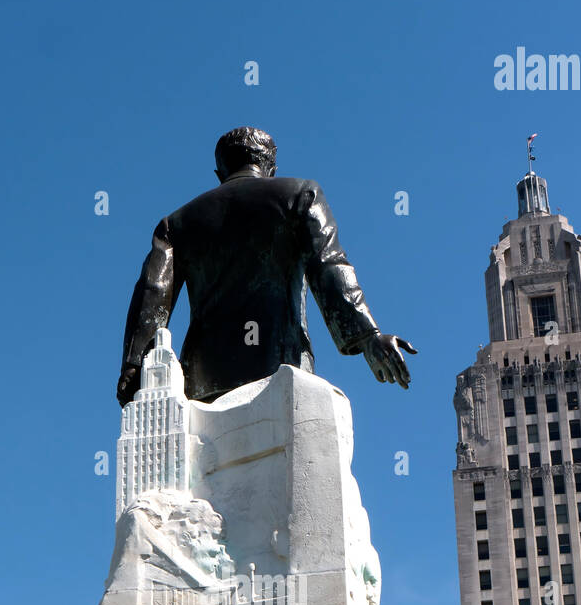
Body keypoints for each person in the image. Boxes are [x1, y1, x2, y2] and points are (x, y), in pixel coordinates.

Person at [117, 127, 416, 405]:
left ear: (219, 172)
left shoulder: (176, 224)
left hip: (204, 379)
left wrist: (133, 368)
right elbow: (329, 265)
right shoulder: (300, 194)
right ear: (271, 168)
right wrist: (368, 336)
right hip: (280, 367)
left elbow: (152, 292)